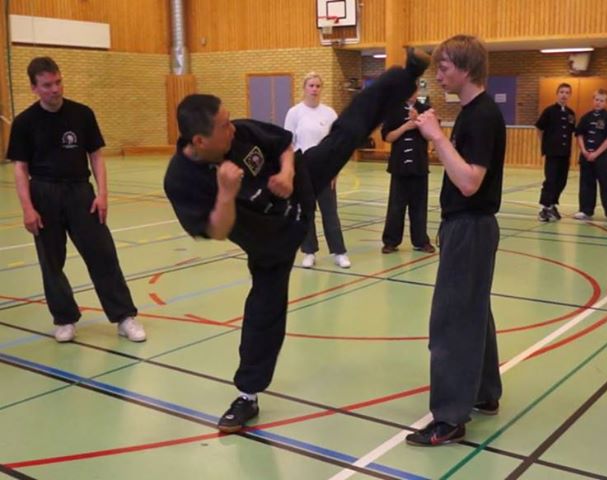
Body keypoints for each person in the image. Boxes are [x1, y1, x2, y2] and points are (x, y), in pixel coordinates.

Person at [163, 51, 429, 433]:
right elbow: (216, 231)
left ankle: (407, 73)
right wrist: (225, 193)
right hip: (270, 243)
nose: (232, 129)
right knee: (263, 317)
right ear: (200, 140)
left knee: (348, 132)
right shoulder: (181, 181)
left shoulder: (238, 132)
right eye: (223, 126)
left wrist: (287, 173)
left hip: (300, 186)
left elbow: (284, 143)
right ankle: (248, 396)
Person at [405, 34, 505, 447]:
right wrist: (442, 138)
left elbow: (469, 181)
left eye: (445, 67)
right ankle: (484, 392)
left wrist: (437, 138)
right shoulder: (472, 112)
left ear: (466, 69)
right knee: (474, 310)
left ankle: (449, 417)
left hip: (470, 226)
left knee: (451, 321)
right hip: (468, 227)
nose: (439, 74)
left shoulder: (481, 116)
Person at [7, 57, 145, 343]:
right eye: (47, 85)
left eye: (58, 82)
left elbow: (95, 155)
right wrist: (27, 208)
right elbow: (20, 167)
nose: (55, 90)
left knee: (103, 254)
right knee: (51, 262)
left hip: (81, 192)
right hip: (43, 193)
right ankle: (65, 318)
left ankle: (123, 317)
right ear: (34, 88)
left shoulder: (82, 114)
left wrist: (103, 194)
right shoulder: (24, 122)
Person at [284, 72, 351, 269]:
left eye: (317, 86)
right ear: (304, 88)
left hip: (325, 170)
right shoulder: (294, 113)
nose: (314, 89)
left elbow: (338, 144)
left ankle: (339, 252)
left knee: (330, 212)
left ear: (321, 88)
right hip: (303, 169)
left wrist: (335, 171)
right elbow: (289, 144)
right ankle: (309, 252)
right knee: (306, 212)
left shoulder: (329, 113)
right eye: (311, 85)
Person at [380, 91, 435, 254]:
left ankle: (421, 241)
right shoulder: (393, 110)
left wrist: (418, 120)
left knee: (419, 206)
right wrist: (405, 126)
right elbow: (388, 137)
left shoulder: (426, 110)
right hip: (399, 166)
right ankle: (390, 241)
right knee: (396, 206)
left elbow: (431, 134)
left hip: (419, 165)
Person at [572, 89, 607, 222]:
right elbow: (579, 134)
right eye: (596, 100)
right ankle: (585, 210)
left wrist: (596, 153)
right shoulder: (586, 117)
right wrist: (584, 150)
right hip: (586, 157)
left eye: (601, 101)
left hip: (602, 158)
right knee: (586, 183)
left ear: (606, 102)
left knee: (605, 183)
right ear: (593, 100)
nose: (598, 103)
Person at [536, 83, 575, 222]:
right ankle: (544, 208)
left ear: (570, 95)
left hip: (565, 153)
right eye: (562, 92)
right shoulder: (549, 111)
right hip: (552, 152)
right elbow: (539, 128)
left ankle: (552, 204)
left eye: (567, 92)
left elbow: (571, 131)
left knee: (562, 181)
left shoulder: (571, 113)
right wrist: (545, 144)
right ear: (557, 94)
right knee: (551, 180)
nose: (564, 95)